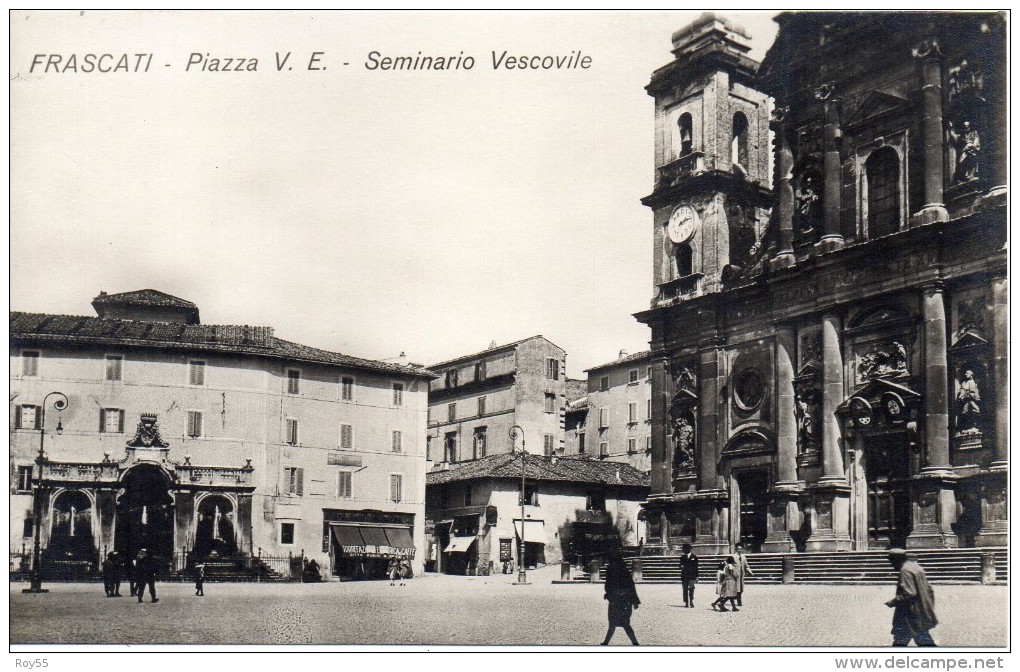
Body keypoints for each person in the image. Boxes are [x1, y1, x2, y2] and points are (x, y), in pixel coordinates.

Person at [885, 548, 938, 646]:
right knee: (920, 640)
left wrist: (893, 602)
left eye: (891, 560)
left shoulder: (905, 570)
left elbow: (909, 593)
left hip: (909, 614)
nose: (891, 564)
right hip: (919, 612)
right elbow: (929, 589)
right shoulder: (915, 567)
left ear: (897, 559)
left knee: (903, 642)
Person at [601, 552, 640, 645]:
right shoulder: (623, 570)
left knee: (616, 623)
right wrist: (635, 601)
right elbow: (631, 587)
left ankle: (635, 642)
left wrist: (608, 593)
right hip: (623, 600)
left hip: (617, 600)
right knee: (620, 623)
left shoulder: (611, 570)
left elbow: (609, 585)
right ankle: (634, 643)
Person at [678, 543, 699, 608]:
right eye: (684, 549)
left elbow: (696, 567)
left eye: (686, 549)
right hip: (684, 576)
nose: (685, 550)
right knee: (685, 589)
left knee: (691, 589)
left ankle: (691, 601)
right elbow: (680, 565)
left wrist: (697, 576)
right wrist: (681, 566)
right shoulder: (682, 557)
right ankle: (686, 602)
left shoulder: (694, 557)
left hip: (692, 576)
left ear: (689, 549)